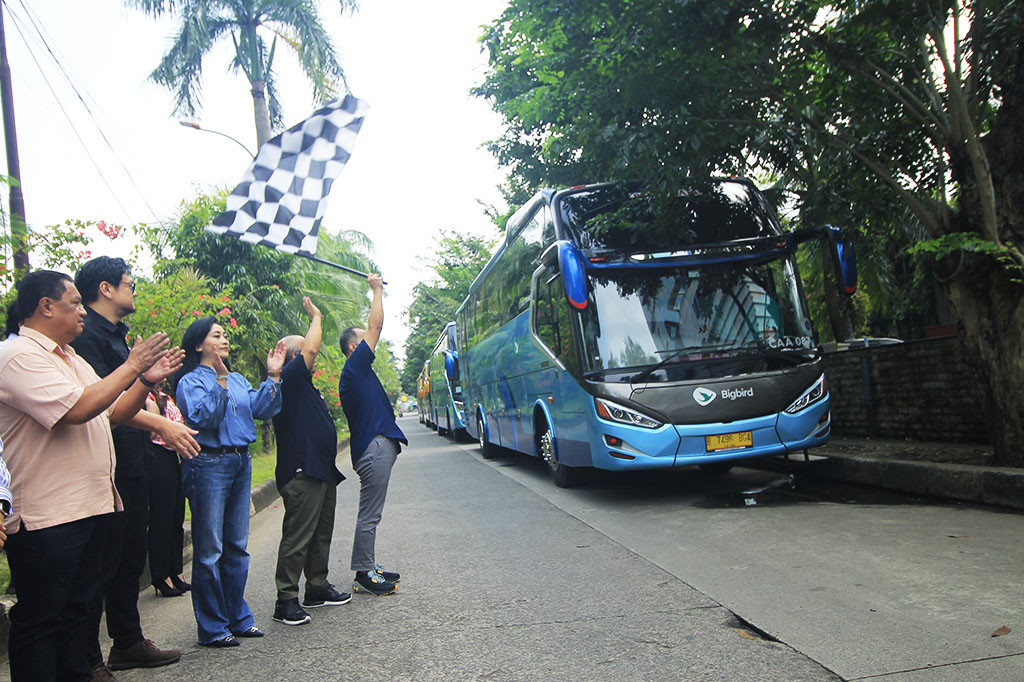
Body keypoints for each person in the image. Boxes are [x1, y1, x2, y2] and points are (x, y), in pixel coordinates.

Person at [0, 270, 182, 681]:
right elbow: (76, 409)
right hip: (48, 516)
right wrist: (132, 363)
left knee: (80, 612)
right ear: (45, 306)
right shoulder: (17, 356)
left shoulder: (70, 357)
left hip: (90, 507)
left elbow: (113, 410)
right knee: (42, 620)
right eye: (75, 303)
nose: (83, 312)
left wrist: (142, 380)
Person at [71, 256, 198, 676]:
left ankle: (126, 642)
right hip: (103, 461)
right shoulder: (85, 337)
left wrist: (149, 383)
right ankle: (88, 659)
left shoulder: (118, 338)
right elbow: (103, 404)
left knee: (129, 556)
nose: (134, 289)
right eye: (129, 283)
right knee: (102, 562)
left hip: (132, 455)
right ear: (105, 289)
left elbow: (130, 396)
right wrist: (160, 419)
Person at [175, 317, 285, 647]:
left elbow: (263, 409)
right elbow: (203, 417)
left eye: (225, 335)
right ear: (198, 345)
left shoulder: (237, 378)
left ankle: (239, 618)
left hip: (241, 461)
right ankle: (212, 627)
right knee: (210, 549)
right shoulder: (190, 382)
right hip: (208, 462)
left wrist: (274, 376)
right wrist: (220, 381)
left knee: (237, 546)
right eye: (216, 335)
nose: (224, 340)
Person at [271, 297, 348, 627]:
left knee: (320, 534)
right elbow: (311, 350)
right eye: (301, 351)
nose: (310, 355)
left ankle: (316, 587)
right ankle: (285, 599)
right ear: (290, 356)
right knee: (298, 537)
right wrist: (316, 317)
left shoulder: (304, 385)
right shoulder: (287, 378)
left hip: (320, 469)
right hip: (301, 471)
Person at [338, 273, 407, 596]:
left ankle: (368, 564)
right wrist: (377, 290)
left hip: (376, 447)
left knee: (371, 513)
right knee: (370, 514)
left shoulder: (358, 372)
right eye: (363, 338)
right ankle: (363, 573)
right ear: (355, 346)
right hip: (373, 448)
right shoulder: (354, 368)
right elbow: (376, 327)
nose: (370, 339)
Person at [146, 385, 190, 598]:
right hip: (158, 455)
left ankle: (176, 572)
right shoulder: (145, 395)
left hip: (175, 457)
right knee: (161, 519)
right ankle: (160, 575)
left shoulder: (166, 396)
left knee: (176, 518)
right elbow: (152, 431)